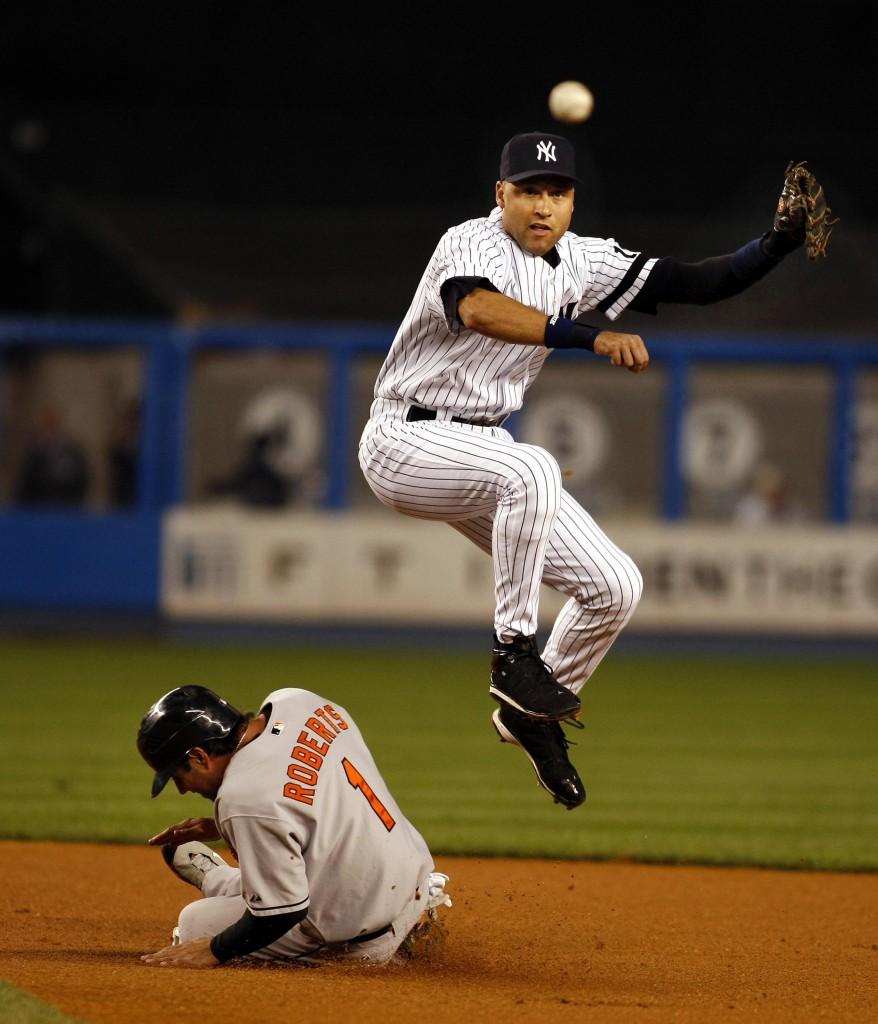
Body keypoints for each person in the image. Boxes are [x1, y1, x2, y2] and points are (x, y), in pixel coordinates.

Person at [358, 131, 820, 810]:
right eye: (529, 192)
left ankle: (530, 715)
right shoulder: (469, 242)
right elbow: (479, 309)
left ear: (573, 201)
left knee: (614, 586)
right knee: (533, 468)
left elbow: (698, 282)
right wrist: (588, 334)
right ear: (501, 196)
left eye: (558, 192)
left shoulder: (584, 261)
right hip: (403, 440)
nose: (543, 206)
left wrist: (776, 244)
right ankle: (513, 656)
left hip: (480, 451)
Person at [136, 684, 451, 968]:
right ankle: (224, 881)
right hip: (412, 881)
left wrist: (214, 949)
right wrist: (229, 826)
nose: (182, 789)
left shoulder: (243, 798)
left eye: (178, 776)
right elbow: (310, 788)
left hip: (363, 931)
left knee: (195, 923)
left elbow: (282, 913)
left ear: (200, 756)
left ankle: (220, 881)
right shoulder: (298, 702)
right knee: (274, 870)